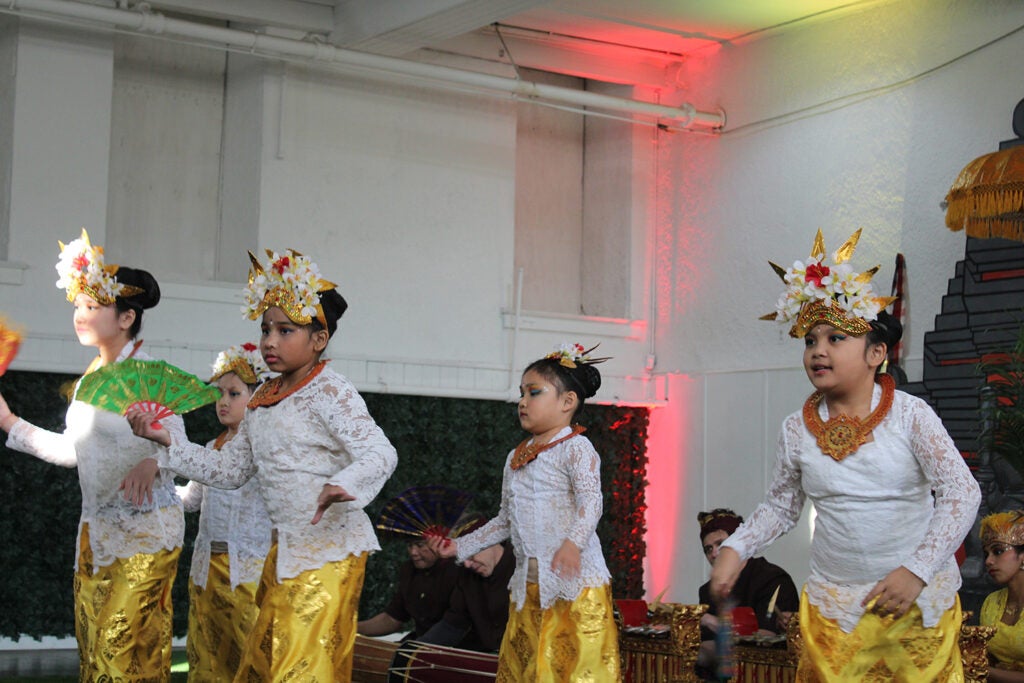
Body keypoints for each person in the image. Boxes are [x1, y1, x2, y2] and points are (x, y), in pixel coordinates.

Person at [709, 229, 982, 680]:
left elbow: (961, 494)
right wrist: (737, 549)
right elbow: (781, 506)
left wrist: (916, 570)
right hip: (834, 609)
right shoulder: (796, 427)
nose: (818, 350)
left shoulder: (912, 416)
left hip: (913, 607)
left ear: (876, 353)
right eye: (810, 340)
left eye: (836, 338)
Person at [122, 248, 398, 682]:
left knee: (302, 668)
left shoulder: (330, 389)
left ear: (319, 339)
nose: (270, 340)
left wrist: (345, 482)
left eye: (285, 330)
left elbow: (380, 452)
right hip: (283, 552)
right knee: (265, 666)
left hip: (329, 551)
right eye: (266, 328)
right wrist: (168, 440)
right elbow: (229, 471)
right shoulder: (264, 398)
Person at [0, 229, 183, 681]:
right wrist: (8, 421)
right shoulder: (88, 382)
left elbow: (177, 440)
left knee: (121, 657)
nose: (80, 315)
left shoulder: (147, 374)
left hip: (146, 536)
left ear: (126, 318)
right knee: (99, 652)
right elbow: (72, 453)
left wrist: (152, 461)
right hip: (96, 535)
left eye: (94, 306)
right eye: (78, 305)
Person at [431, 342, 621, 682]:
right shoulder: (514, 456)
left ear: (567, 402)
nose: (522, 401)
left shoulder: (576, 447)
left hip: (575, 591)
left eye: (534, 392)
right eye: (522, 393)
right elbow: (505, 519)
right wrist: (459, 547)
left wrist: (573, 544)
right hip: (528, 590)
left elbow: (592, 502)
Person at [177, 342, 273, 682]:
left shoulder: (265, 450)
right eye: (221, 393)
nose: (223, 402)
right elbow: (191, 501)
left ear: (257, 397)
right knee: (207, 658)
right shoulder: (209, 448)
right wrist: (157, 489)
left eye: (234, 394)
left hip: (247, 573)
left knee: (252, 658)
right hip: (205, 573)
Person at [695, 508, 798, 677]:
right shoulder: (707, 590)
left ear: (738, 544)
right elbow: (709, 647)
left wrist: (714, 622)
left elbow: (763, 644)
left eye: (721, 544)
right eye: (708, 549)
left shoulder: (772, 579)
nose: (714, 553)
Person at [419, 539, 516, 652]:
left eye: (470, 555)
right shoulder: (467, 575)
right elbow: (454, 623)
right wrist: (416, 649)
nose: (467, 564)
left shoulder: (526, 566)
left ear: (491, 541)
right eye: (461, 558)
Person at [357, 536, 461, 640]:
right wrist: (351, 628)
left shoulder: (457, 571)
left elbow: (456, 625)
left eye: (420, 545)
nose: (413, 552)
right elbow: (392, 619)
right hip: (419, 643)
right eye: (410, 545)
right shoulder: (409, 570)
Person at [979, 511, 1024, 682]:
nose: (988, 561)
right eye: (986, 554)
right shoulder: (992, 603)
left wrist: (984, 671)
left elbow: (985, 668)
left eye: (998, 551)